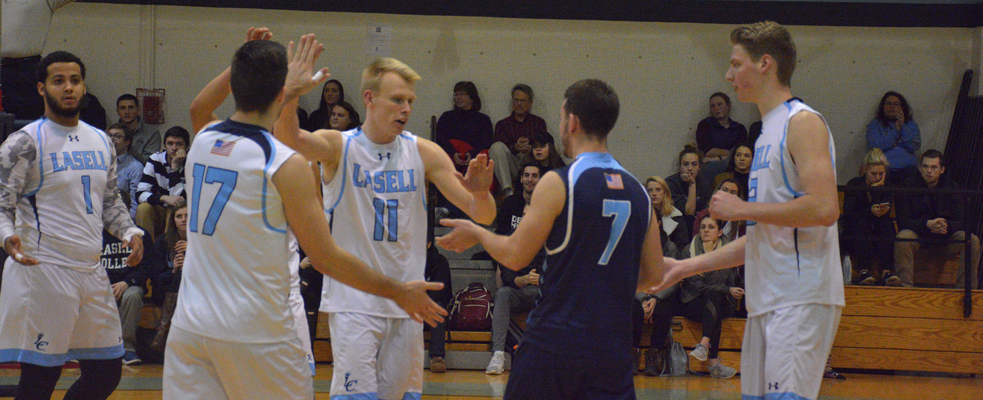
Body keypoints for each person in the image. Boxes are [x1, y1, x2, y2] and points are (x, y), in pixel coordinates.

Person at [166, 29, 447, 400]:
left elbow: (198, 107)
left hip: (191, 328)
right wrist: (399, 291)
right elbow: (326, 257)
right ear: (282, 93)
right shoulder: (282, 162)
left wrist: (246, 58)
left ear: (237, 83)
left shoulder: (204, 139)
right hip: (257, 332)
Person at [271, 51, 497, 398]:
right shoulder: (338, 146)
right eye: (397, 99)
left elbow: (482, 214)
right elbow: (289, 142)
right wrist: (291, 94)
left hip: (408, 301)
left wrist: (481, 193)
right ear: (370, 98)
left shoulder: (425, 152)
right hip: (354, 299)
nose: (406, 108)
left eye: (410, 100)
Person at [438, 79, 665, 399]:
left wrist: (477, 232)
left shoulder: (560, 183)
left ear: (571, 122)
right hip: (612, 349)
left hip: (556, 343)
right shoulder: (639, 192)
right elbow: (654, 275)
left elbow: (515, 255)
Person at [655, 22, 845, 400]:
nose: (728, 74)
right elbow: (763, 234)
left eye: (735, 64)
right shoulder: (764, 134)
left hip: (799, 296)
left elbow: (825, 207)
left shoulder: (803, 122)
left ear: (765, 64)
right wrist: (685, 266)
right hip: (767, 298)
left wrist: (742, 208)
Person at [0, 50, 144, 400]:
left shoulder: (101, 140)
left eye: (75, 80)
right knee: (39, 383)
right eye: (59, 80)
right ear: (41, 88)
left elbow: (111, 200)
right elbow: (2, 203)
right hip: (44, 270)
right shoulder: (25, 142)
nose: (68, 88)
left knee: (106, 373)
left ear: (83, 87)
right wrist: (7, 237)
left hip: (91, 272)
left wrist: (130, 231)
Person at [646, 216, 740, 379]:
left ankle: (704, 345)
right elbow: (698, 285)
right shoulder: (689, 250)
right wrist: (727, 288)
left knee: (714, 297)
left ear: (719, 232)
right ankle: (712, 363)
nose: (705, 230)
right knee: (713, 303)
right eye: (703, 227)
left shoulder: (728, 252)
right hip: (692, 300)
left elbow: (716, 281)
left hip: (720, 301)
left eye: (711, 227)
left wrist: (710, 256)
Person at [485, 162, 546, 375]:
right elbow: (507, 272)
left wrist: (537, 279)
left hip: (539, 291)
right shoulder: (511, 237)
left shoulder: (545, 238)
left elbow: (553, 268)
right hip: (519, 289)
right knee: (502, 294)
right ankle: (498, 354)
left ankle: (545, 355)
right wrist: (522, 280)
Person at [894, 150, 980, 288]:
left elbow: (961, 219)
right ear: (920, 168)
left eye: (934, 167)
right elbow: (903, 220)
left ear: (942, 169)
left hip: (946, 237)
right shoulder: (907, 186)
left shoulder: (952, 187)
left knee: (972, 240)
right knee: (903, 237)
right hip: (919, 237)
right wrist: (927, 224)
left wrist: (947, 226)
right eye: (925, 166)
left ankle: (966, 292)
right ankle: (904, 289)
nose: (929, 171)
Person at [842, 149, 897, 286]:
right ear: (865, 170)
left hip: (879, 226)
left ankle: (886, 272)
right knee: (863, 224)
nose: (878, 177)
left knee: (885, 224)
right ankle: (863, 271)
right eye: (873, 174)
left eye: (881, 173)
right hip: (856, 226)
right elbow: (849, 214)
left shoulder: (888, 186)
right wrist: (869, 210)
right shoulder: (854, 184)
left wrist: (877, 192)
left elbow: (886, 206)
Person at [489, 84, 549, 198]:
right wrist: (515, 147)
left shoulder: (538, 122)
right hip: (510, 165)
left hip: (531, 162)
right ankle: (508, 192)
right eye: (516, 100)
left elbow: (544, 144)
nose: (519, 104)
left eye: (523, 101)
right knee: (496, 147)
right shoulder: (502, 124)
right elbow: (498, 150)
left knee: (549, 148)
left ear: (530, 103)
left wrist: (530, 148)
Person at [134, 126, 189, 240]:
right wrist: (163, 198)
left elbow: (180, 199)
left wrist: (174, 167)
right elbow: (140, 194)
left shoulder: (192, 163)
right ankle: (147, 251)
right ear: (164, 146)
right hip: (160, 208)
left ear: (187, 147)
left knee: (173, 210)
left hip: (183, 211)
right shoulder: (155, 160)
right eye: (170, 143)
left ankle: (166, 253)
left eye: (178, 144)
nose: (174, 148)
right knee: (143, 209)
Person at [435, 81, 494, 175]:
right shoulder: (447, 117)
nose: (458, 98)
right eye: (456, 94)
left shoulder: (483, 119)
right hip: (450, 157)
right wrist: (453, 153)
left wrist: (471, 154)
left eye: (462, 94)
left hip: (475, 158)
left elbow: (486, 142)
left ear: (472, 98)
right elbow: (440, 139)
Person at [866, 91, 920, 185]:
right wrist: (895, 131)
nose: (892, 107)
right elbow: (875, 146)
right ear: (883, 107)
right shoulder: (875, 124)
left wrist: (902, 126)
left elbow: (915, 145)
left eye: (896, 104)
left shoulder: (911, 124)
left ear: (902, 107)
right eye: (888, 104)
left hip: (908, 170)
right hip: (884, 170)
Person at [665, 143, 714, 228]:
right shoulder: (670, 183)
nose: (690, 168)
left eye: (694, 164)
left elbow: (707, 212)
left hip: (700, 226)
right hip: (677, 226)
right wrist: (692, 184)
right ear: (680, 167)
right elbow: (689, 213)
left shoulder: (705, 184)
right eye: (685, 164)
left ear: (699, 167)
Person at [108, 122, 144, 218]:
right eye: (110, 136)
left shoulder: (135, 167)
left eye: (117, 137)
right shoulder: (99, 163)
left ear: (127, 142)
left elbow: (134, 203)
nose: (112, 139)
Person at [647, 176, 689, 255]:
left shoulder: (676, 216)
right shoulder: (640, 215)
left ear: (665, 192)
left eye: (658, 190)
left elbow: (681, 246)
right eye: (650, 190)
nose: (654, 194)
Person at [115, 94, 161, 165]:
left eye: (131, 108)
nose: (127, 112)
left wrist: (127, 147)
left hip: (143, 174)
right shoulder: (111, 133)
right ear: (117, 111)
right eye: (123, 108)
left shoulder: (152, 133)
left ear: (138, 110)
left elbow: (150, 163)